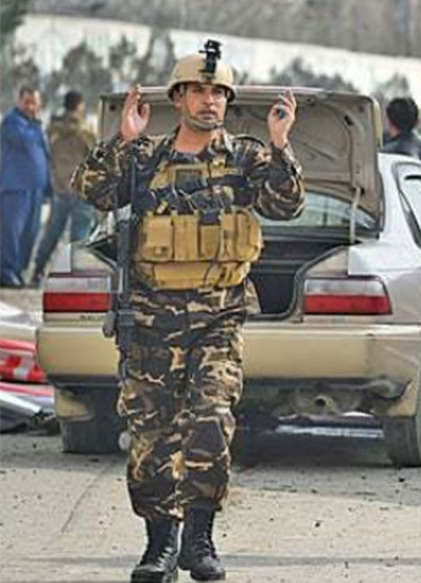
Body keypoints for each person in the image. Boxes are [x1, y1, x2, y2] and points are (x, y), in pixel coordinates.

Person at [72, 43, 305, 582]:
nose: (209, 100)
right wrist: (121, 139)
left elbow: (286, 204)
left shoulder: (245, 158)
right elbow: (90, 190)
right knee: (151, 438)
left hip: (218, 322)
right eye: (198, 90)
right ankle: (160, 544)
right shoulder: (146, 157)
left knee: (209, 426)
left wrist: (280, 145)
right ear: (178, 98)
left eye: (218, 92)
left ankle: (199, 538)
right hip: (150, 323)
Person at [31, 90, 99, 285]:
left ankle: (37, 271)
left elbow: (46, 156)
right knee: (79, 237)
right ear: (79, 106)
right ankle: (75, 278)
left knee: (52, 234)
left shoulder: (52, 131)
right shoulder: (85, 133)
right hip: (80, 190)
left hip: (60, 189)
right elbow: (96, 156)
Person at [0, 86, 50, 287]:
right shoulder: (12, 121)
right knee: (12, 231)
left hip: (36, 189)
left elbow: (45, 155)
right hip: (15, 188)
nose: (30, 106)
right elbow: (26, 141)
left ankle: (18, 270)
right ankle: (6, 271)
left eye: (34, 102)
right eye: (27, 102)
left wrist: (48, 186)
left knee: (30, 233)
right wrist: (37, 124)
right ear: (19, 102)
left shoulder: (36, 125)